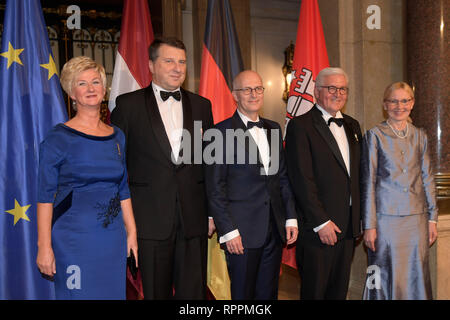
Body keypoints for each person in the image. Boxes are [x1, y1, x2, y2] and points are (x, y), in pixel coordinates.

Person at [110, 37, 214, 300]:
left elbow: (209, 165)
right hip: (149, 221)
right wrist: (126, 222)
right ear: (151, 65)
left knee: (194, 295)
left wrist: (211, 214)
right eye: (169, 61)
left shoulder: (203, 105)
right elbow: (117, 167)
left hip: (193, 220)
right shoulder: (128, 105)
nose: (177, 68)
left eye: (182, 62)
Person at [36, 56, 138, 300]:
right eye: (82, 84)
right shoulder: (58, 138)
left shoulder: (118, 136)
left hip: (112, 238)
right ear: (72, 93)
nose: (90, 89)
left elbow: (123, 189)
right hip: (73, 239)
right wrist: (44, 246)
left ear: (104, 89)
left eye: (96, 82)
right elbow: (44, 195)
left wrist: (132, 233)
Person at [205, 70, 298, 300]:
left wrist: (290, 217)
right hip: (241, 233)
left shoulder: (274, 128)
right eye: (247, 90)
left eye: (258, 89)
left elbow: (282, 178)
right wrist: (228, 231)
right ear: (235, 95)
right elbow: (215, 189)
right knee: (242, 297)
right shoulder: (218, 133)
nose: (253, 94)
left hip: (273, 230)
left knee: (268, 295)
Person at [285, 67, 362, 300]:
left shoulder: (353, 125)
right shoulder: (301, 125)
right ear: (317, 92)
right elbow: (301, 179)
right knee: (315, 293)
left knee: (338, 292)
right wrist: (321, 222)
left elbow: (357, 176)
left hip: (347, 227)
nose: (337, 93)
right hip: (318, 229)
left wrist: (358, 218)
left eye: (342, 89)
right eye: (331, 88)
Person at [361, 82, 438, 300]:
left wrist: (432, 218)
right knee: (383, 272)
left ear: (412, 103)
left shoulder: (420, 136)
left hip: (417, 220)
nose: (399, 106)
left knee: (416, 274)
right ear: (385, 105)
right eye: (393, 101)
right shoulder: (374, 135)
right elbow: (368, 182)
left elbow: (427, 177)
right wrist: (369, 225)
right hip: (386, 221)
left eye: (404, 100)